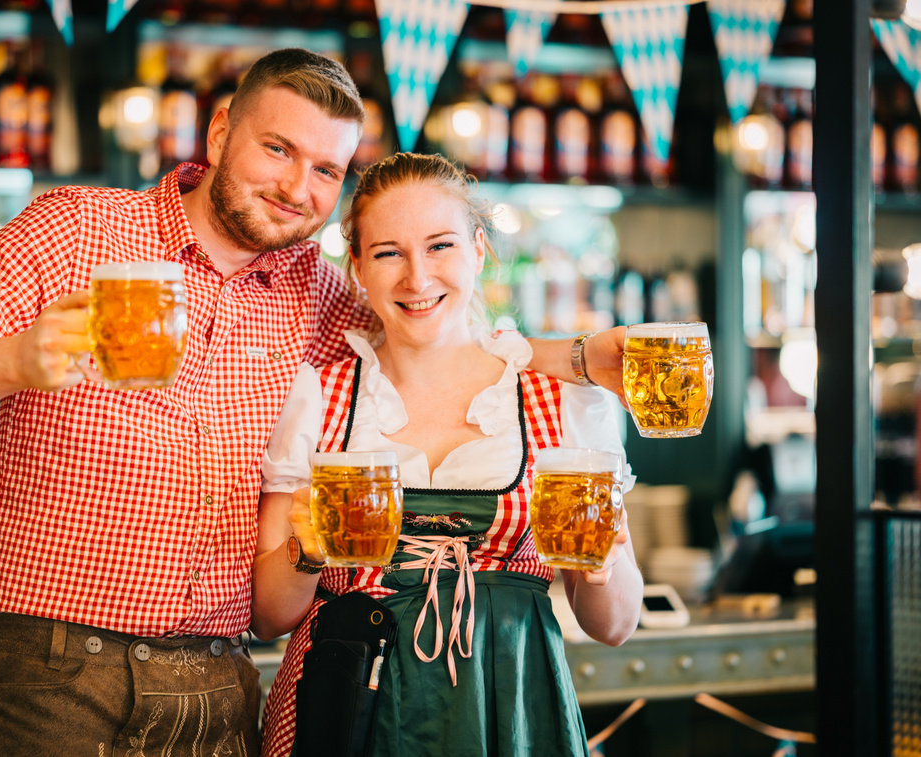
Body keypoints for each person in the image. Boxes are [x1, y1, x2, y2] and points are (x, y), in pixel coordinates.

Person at [0, 48, 624, 755]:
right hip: (52, 669)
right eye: (278, 149)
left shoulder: (322, 294)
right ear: (222, 129)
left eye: (327, 169)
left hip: (218, 686)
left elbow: (432, 326)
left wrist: (582, 361)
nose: (298, 187)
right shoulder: (75, 229)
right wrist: (16, 360)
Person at [253, 152, 644, 757]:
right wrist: (309, 545)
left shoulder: (566, 402)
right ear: (356, 267)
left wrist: (599, 568)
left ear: (479, 249)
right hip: (349, 708)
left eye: (440, 246)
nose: (417, 278)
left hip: (511, 704)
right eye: (388, 253)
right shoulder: (317, 397)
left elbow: (614, 626)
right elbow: (271, 615)